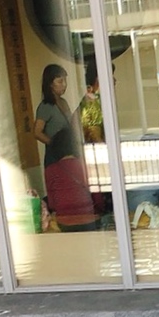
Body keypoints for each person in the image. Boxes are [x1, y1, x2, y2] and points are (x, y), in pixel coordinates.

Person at [34, 64, 98, 232]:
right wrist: (54, 145)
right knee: (59, 189)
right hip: (55, 157)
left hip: (69, 152)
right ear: (50, 83)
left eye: (65, 81)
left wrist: (84, 102)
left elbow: (71, 124)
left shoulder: (63, 103)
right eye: (59, 81)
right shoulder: (45, 106)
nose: (64, 85)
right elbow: (37, 132)